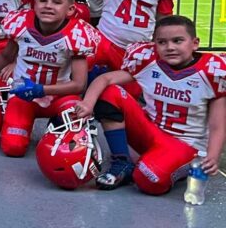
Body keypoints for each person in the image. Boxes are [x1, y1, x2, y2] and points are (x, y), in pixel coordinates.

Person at [75, 15, 226, 193]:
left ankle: (164, 163)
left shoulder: (211, 72)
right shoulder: (149, 62)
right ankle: (122, 162)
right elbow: (105, 79)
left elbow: (217, 124)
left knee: (148, 179)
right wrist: (88, 103)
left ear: (195, 43)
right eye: (162, 42)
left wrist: (212, 155)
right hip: (150, 131)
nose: (170, 47)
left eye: (178, 41)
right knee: (109, 92)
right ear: (154, 44)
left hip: (184, 144)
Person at [0, 0, 100, 158]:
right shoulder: (21, 23)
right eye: (43, 0)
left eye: (56, 2)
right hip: (23, 96)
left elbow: (79, 85)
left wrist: (41, 90)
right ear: (34, 3)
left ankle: (57, 122)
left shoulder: (76, 34)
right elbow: (6, 57)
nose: (48, 6)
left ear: (70, 10)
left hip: (59, 97)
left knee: (71, 141)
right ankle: (25, 124)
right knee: (13, 148)